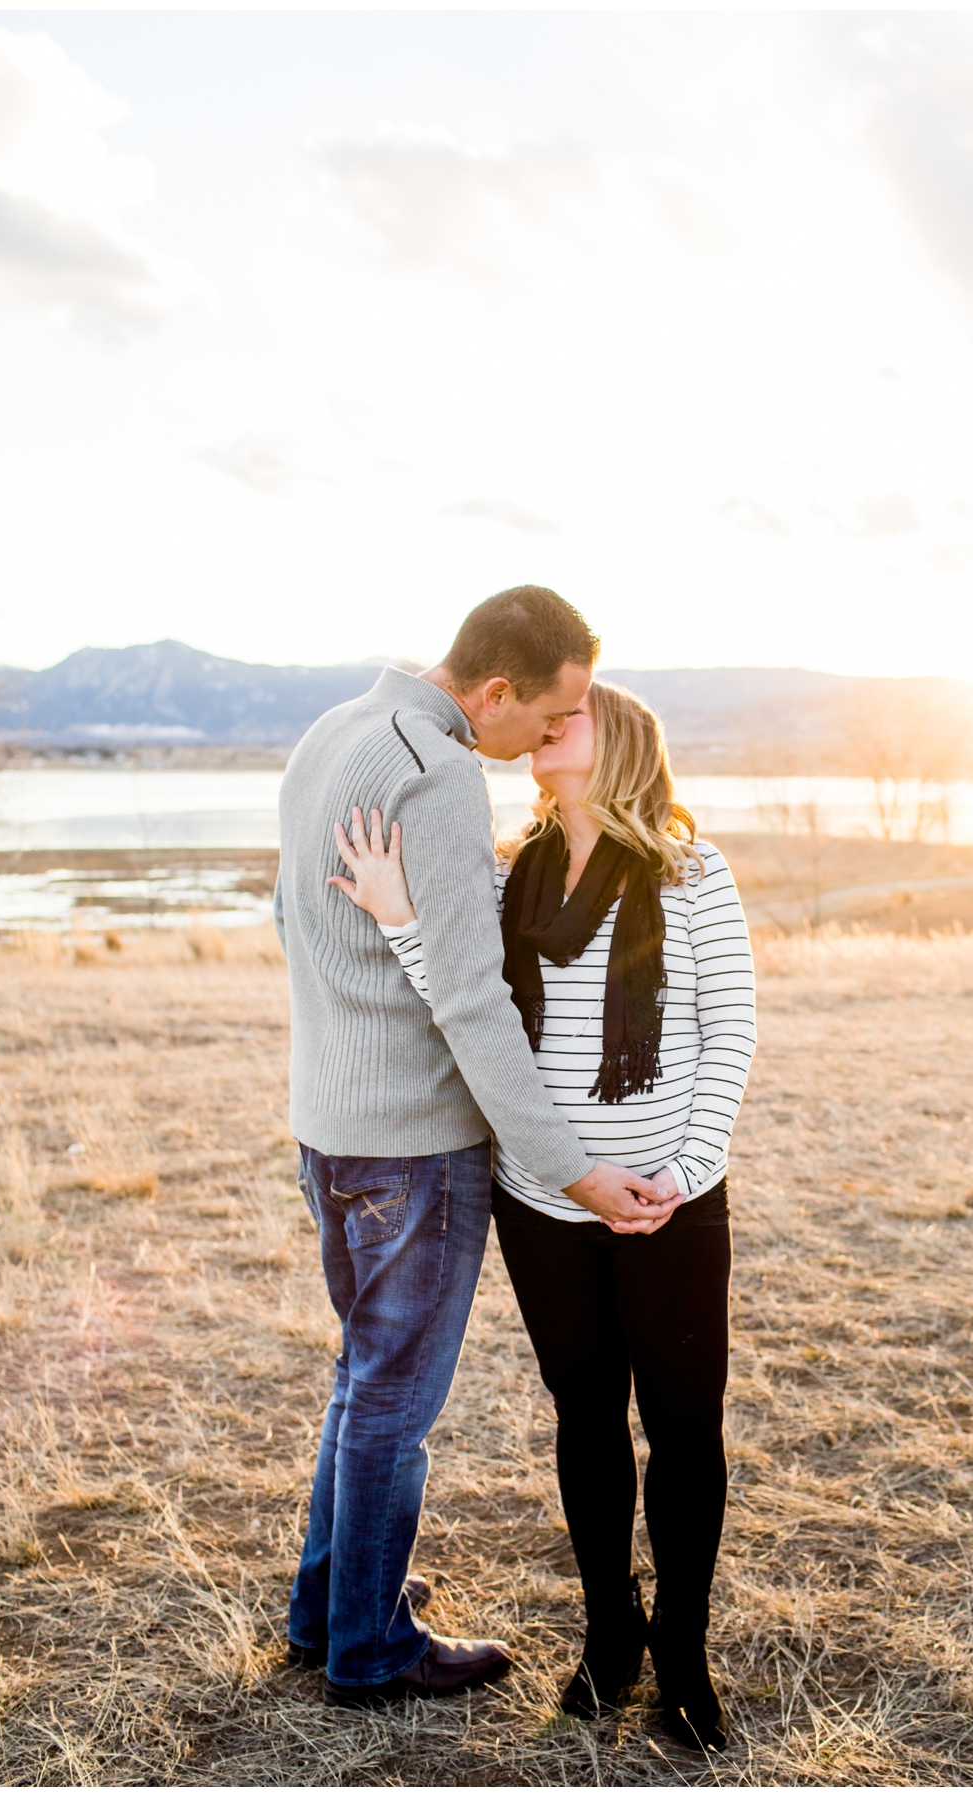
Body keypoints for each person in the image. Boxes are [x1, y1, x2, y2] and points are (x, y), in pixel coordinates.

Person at [329, 677, 755, 1752]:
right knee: (586, 1418)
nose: (558, 717)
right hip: (541, 1199)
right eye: (551, 707)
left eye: (583, 709)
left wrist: (687, 1172)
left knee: (685, 1428)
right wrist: (400, 917)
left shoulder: (690, 869)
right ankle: (610, 1633)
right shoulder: (507, 872)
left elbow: (727, 1033)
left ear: (625, 745)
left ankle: (684, 1648)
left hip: (671, 1204)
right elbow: (472, 1006)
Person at [273, 584, 679, 1706]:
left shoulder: (335, 730)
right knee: (394, 1398)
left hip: (329, 1124)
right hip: (414, 1145)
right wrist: (573, 1167)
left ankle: (325, 1614)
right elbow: (472, 1001)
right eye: (547, 716)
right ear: (492, 692)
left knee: (364, 1380)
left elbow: (289, 916)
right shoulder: (441, 772)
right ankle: (372, 1647)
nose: (550, 737)